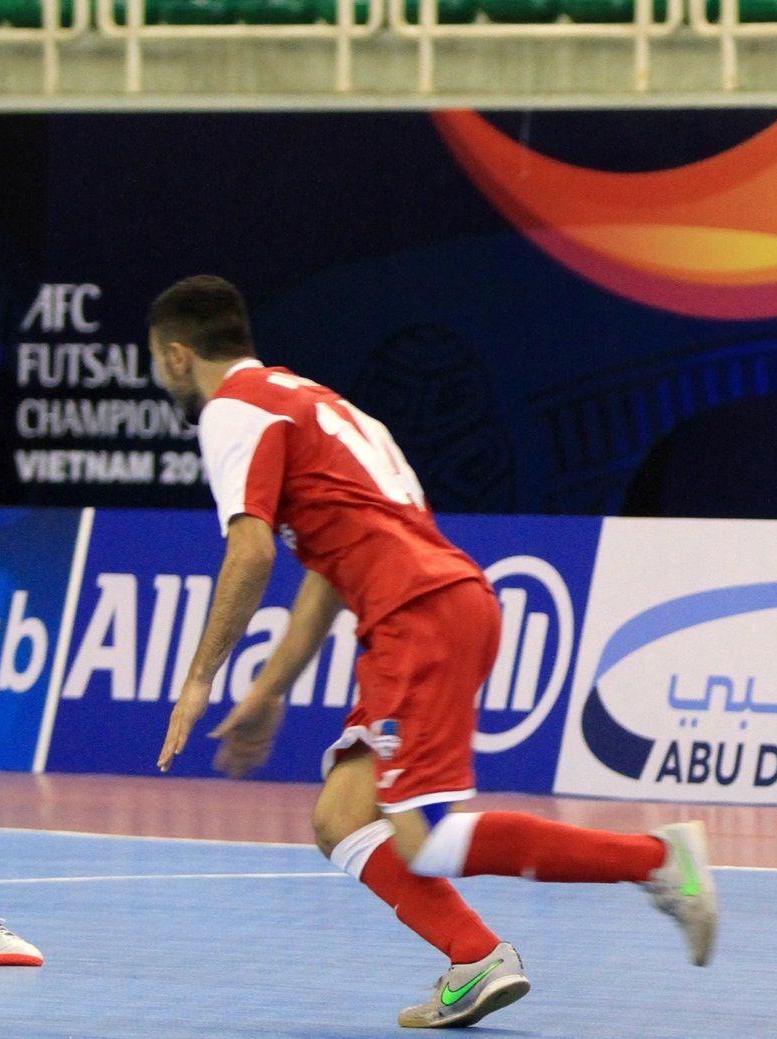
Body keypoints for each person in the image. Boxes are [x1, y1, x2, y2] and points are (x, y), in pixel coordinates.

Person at [148, 276, 716, 1029]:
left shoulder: (231, 411)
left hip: (416, 613)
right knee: (343, 814)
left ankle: (655, 859)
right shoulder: (318, 404)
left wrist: (199, 680)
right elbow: (325, 571)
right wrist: (270, 688)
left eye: (157, 361)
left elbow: (250, 552)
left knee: (423, 835)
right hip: (435, 605)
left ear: (179, 355)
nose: (161, 375)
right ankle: (473, 955)